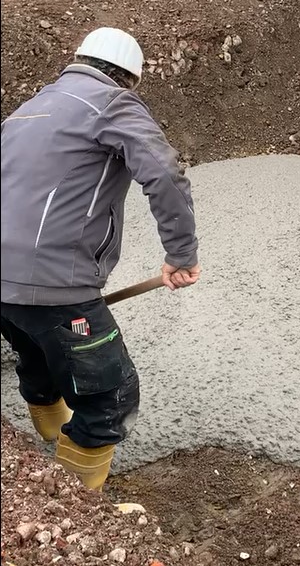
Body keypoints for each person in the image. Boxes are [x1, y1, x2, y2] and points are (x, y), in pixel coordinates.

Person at [1, 27, 200, 490]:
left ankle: (50, 436)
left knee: (37, 355)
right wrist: (181, 253)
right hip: (55, 284)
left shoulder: (28, 110)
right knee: (112, 395)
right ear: (128, 78)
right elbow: (164, 172)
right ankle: (75, 500)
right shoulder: (112, 104)